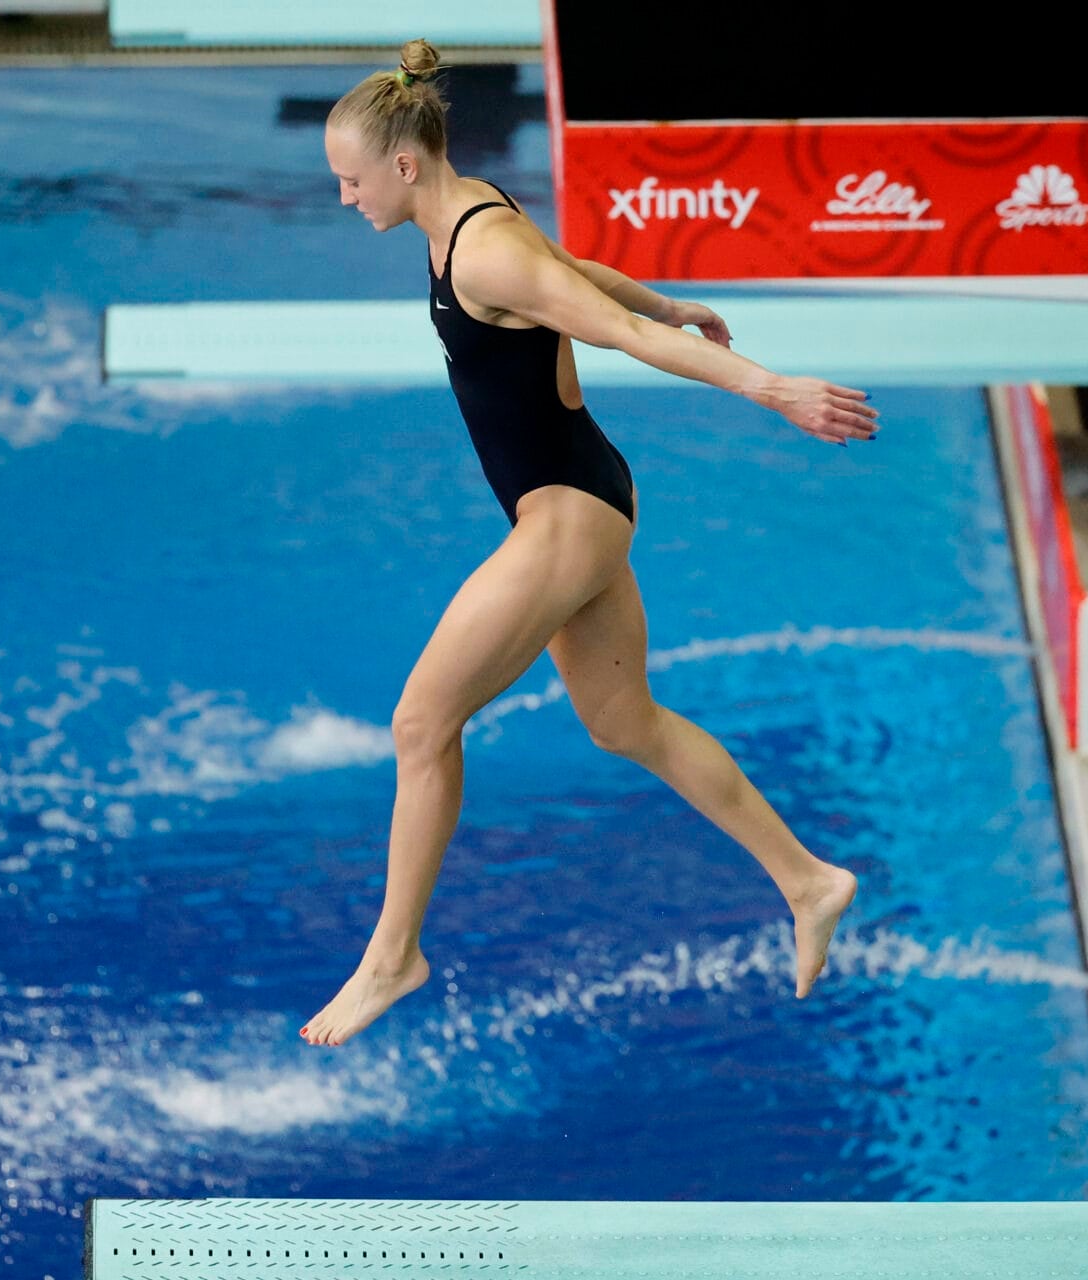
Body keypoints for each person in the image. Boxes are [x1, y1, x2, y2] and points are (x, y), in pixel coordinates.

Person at [301, 39, 877, 1048]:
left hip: (565, 513)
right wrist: (665, 298)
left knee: (420, 724)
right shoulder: (471, 210)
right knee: (625, 722)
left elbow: (615, 336)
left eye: (350, 181)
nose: (344, 200)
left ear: (402, 164)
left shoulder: (478, 248)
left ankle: (393, 955)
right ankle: (809, 878)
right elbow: (574, 276)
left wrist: (772, 387)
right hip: (582, 500)